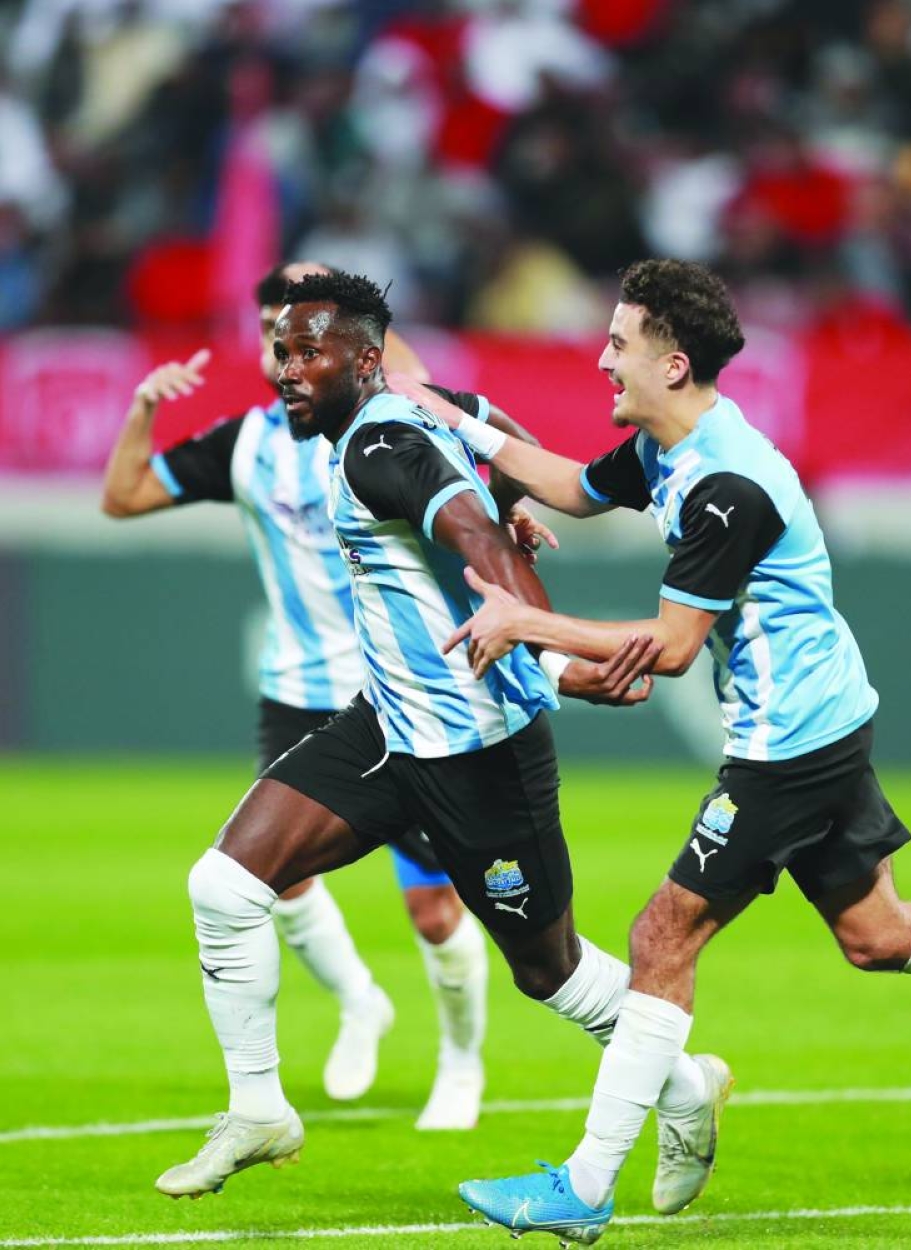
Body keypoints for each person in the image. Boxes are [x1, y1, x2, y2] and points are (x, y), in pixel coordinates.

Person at [392, 257, 911, 1244]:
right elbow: (571, 487)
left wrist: (525, 621)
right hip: (822, 717)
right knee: (876, 934)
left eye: (619, 343)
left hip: (788, 745)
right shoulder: (671, 447)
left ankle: (585, 1186)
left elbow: (671, 647)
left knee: (660, 936)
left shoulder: (726, 487)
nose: (602, 360)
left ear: (672, 364)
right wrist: (449, 419)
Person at [149, 269, 702, 1206]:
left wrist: (549, 647)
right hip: (389, 726)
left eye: (309, 353)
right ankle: (258, 1108)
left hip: (479, 750)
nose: (287, 370)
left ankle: (683, 1090)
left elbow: (475, 540)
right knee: (225, 884)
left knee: (550, 971)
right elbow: (494, 432)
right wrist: (513, 497)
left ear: (364, 360)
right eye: (281, 351)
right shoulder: (410, 405)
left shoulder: (381, 446)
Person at [102, 261, 496, 1132]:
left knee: (434, 906)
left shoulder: (390, 425)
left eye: (310, 330)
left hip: (399, 691)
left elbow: (431, 399)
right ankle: (360, 1000)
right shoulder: (245, 445)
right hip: (296, 692)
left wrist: (359, 313)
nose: (288, 347)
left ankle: (461, 1062)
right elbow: (123, 496)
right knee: (266, 879)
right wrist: (143, 409)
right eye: (275, 331)